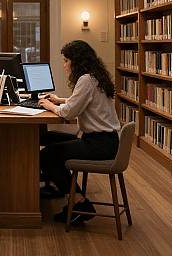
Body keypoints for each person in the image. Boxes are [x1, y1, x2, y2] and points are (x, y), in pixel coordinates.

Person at [38, 40, 121, 224]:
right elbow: (81, 101)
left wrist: (50, 105)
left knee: (47, 155)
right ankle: (58, 186)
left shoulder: (85, 80)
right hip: (108, 141)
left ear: (77, 61)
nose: (64, 64)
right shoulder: (95, 77)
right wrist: (60, 100)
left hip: (99, 144)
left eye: (66, 60)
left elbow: (69, 112)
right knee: (49, 139)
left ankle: (80, 203)